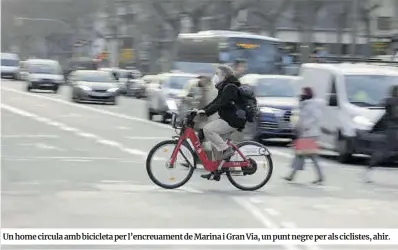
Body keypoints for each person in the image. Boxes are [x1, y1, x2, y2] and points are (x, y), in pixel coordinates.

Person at [197, 65, 247, 180]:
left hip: (233, 120)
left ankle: (227, 150)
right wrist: (203, 110)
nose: (215, 76)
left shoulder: (231, 87)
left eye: (217, 73)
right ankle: (216, 170)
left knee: (208, 129)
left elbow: (221, 103)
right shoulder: (224, 86)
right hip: (228, 119)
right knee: (215, 144)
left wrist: (206, 112)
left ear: (224, 75)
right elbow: (216, 101)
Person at [284, 87, 324, 184]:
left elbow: (315, 117)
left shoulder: (311, 105)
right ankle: (292, 175)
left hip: (309, 134)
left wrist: (306, 126)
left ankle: (292, 175)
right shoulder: (304, 105)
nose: (301, 95)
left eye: (303, 93)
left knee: (306, 156)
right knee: (302, 155)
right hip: (305, 134)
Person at [363, 85, 398, 183]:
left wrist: (372, 130)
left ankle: (368, 170)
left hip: (391, 132)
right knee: (384, 152)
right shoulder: (391, 106)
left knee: (383, 152)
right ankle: (368, 170)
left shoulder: (388, 110)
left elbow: (380, 121)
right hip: (393, 132)